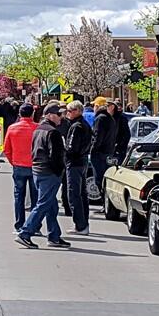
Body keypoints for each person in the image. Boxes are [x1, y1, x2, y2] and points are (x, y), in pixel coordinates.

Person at [16, 105, 70, 249]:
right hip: (48, 172)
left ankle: (54, 236)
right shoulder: (53, 133)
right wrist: (59, 170)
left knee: (51, 205)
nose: (61, 117)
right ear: (50, 115)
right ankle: (25, 232)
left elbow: (34, 151)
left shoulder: (38, 129)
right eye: (59, 114)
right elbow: (56, 156)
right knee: (44, 204)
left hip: (38, 170)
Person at [3, 103, 39, 233]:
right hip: (35, 166)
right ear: (32, 114)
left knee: (19, 197)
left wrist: (13, 162)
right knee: (36, 197)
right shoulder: (38, 128)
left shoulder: (12, 128)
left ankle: (19, 224)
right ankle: (34, 225)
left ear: (19, 113)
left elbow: (6, 149)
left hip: (19, 165)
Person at [64, 100, 92, 235]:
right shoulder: (84, 124)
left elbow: (72, 147)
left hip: (75, 162)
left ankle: (80, 225)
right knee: (82, 194)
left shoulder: (77, 126)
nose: (67, 114)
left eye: (70, 111)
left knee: (74, 194)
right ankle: (83, 223)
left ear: (77, 111)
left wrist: (64, 150)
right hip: (82, 161)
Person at [90, 97, 116, 199]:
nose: (93, 108)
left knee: (99, 180)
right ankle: (106, 203)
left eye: (94, 106)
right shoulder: (110, 118)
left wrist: (92, 149)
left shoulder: (100, 119)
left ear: (97, 106)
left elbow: (97, 136)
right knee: (105, 180)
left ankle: (105, 203)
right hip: (108, 152)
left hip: (99, 154)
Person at [112, 99, 130, 163]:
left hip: (119, 148)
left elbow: (127, 134)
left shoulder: (122, 118)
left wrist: (120, 145)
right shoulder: (111, 118)